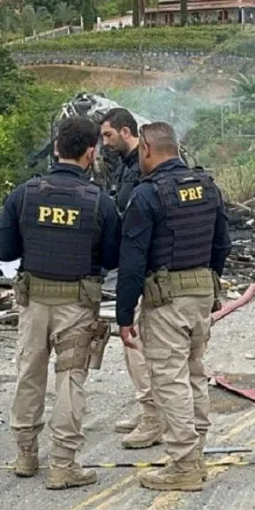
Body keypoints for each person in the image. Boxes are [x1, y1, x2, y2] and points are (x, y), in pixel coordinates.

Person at [0, 116, 121, 490]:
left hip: (32, 302)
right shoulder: (100, 202)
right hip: (77, 305)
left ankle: (26, 456)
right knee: (70, 379)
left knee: (29, 374)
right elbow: (113, 257)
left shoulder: (25, 193)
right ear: (91, 152)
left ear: (58, 148)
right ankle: (63, 464)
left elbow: (2, 248)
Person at [116, 122, 232, 492]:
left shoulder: (148, 194)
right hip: (201, 291)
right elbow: (222, 244)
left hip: (166, 298)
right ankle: (194, 453)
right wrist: (211, 285)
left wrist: (123, 314)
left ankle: (183, 464)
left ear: (147, 149)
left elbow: (132, 260)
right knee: (194, 372)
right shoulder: (207, 187)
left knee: (168, 379)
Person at [99, 108, 162, 449]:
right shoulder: (125, 166)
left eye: (108, 135)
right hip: (132, 261)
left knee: (137, 342)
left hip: (144, 265)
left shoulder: (143, 167)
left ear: (126, 131)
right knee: (135, 345)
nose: (105, 142)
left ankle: (154, 418)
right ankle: (147, 409)